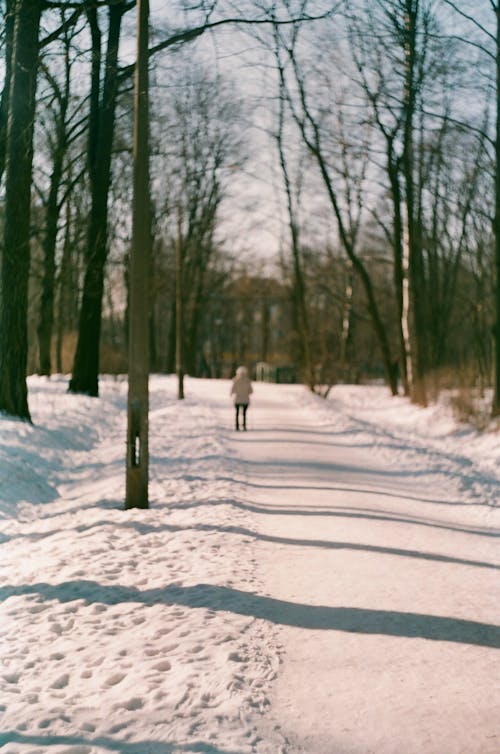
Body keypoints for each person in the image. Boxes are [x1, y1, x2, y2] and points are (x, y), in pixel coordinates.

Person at [230, 365, 253, 431]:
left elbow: (233, 389)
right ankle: (244, 426)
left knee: (237, 413)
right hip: (245, 400)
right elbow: (251, 391)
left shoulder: (235, 380)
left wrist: (231, 394)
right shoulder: (247, 380)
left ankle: (237, 426)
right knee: (244, 414)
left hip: (237, 399)